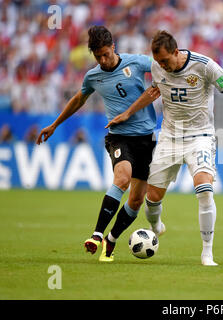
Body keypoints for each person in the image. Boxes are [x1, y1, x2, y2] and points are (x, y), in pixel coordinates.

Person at [107, 30, 223, 266]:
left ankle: (207, 253)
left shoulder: (205, 66)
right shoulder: (158, 68)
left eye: (164, 60)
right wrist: (128, 113)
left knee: (204, 189)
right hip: (169, 137)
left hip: (200, 136)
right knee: (151, 198)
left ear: (176, 51)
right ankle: (156, 225)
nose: (161, 65)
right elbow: (153, 93)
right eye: (158, 61)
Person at [36, 26, 160, 262]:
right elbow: (78, 99)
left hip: (146, 138)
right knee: (122, 178)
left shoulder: (137, 63)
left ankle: (110, 240)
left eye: (106, 54)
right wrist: (54, 124)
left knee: (136, 200)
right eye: (98, 56)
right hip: (118, 136)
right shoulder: (93, 76)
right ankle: (96, 234)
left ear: (113, 47)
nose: (103, 60)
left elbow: (161, 80)